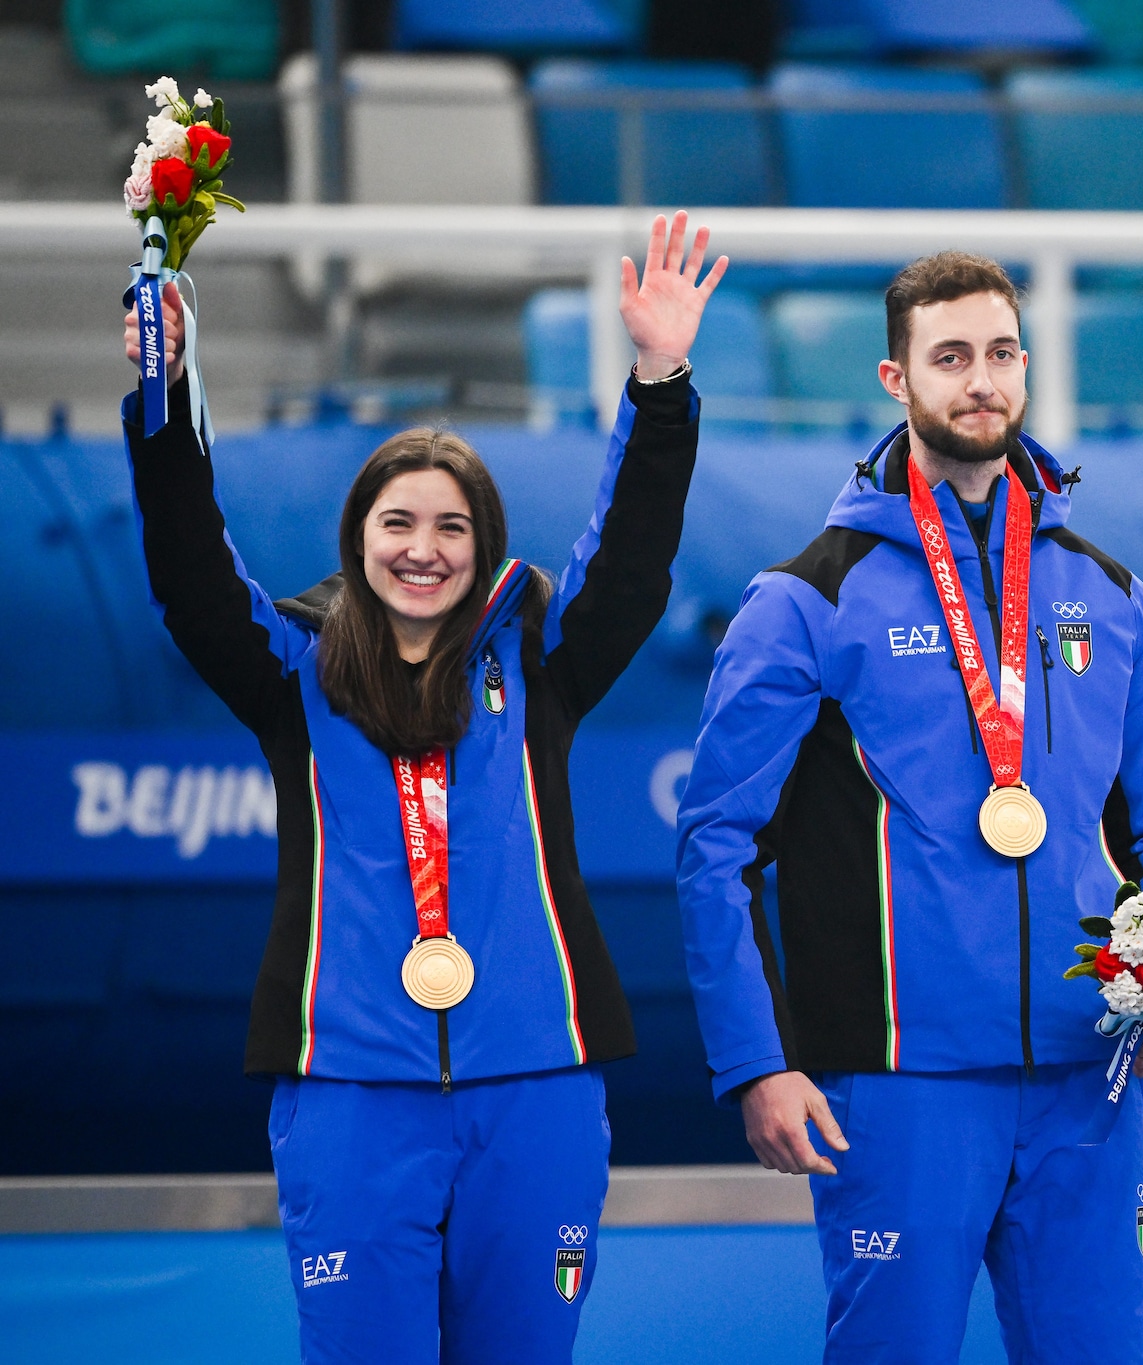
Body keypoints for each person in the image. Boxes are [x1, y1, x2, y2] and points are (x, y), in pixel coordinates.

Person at [121, 212, 727, 1364]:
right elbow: (191, 569)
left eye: (452, 526)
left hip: (535, 1084)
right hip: (349, 1088)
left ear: (483, 546)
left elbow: (633, 560)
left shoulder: (538, 661)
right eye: (396, 522)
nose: (423, 547)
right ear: (357, 541)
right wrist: (166, 395)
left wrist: (659, 379)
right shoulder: (292, 673)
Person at [675, 252, 1143, 1364]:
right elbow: (714, 849)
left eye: (1001, 353)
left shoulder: (1107, 593)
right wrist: (755, 1062)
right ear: (895, 377)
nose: (981, 382)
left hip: (1088, 1080)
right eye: (950, 357)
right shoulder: (806, 598)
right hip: (899, 1083)